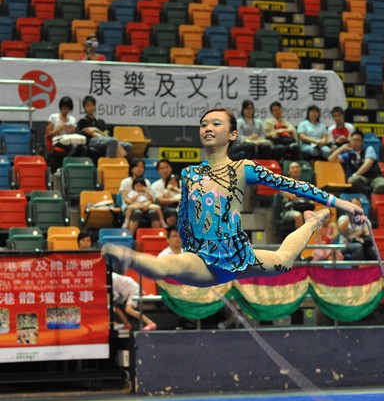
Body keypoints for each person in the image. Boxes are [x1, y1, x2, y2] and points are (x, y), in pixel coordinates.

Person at [102, 108, 366, 287]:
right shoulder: (189, 174)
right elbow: (184, 218)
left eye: (216, 123)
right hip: (202, 261)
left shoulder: (243, 168)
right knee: (166, 266)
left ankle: (312, 221)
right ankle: (126, 256)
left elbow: (293, 185)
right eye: (203, 124)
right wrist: (188, 249)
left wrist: (342, 204)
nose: (208, 128)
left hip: (240, 258)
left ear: (232, 134)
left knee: (285, 261)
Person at [328, 130, 384, 196]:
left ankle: (372, 198)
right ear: (350, 141)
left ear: (362, 142)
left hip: (374, 177)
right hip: (361, 178)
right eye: (354, 140)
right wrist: (342, 148)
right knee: (355, 180)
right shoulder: (348, 154)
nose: (355, 142)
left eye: (358, 140)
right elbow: (331, 159)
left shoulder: (369, 149)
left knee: (382, 184)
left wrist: (355, 175)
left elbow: (367, 165)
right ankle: (365, 198)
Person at [77, 95, 132, 160]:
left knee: (128, 146)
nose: (90, 107)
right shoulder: (82, 121)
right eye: (88, 105)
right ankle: (109, 164)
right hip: (91, 141)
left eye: (92, 105)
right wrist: (100, 133)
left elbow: (106, 134)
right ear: (84, 108)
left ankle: (120, 164)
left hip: (105, 140)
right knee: (112, 141)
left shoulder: (101, 121)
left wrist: (96, 130)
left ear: (95, 106)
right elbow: (92, 133)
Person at [46, 96, 86, 174]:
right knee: (74, 147)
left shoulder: (72, 119)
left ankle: (77, 168)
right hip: (58, 142)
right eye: (64, 109)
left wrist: (72, 131)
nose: (66, 111)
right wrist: (58, 129)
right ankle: (65, 168)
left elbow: (74, 136)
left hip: (69, 141)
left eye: (68, 109)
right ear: (61, 108)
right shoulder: (53, 117)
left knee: (83, 148)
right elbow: (49, 135)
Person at [119, 159, 159, 236]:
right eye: (137, 166)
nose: (139, 169)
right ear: (131, 169)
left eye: (142, 167)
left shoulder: (146, 182)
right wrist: (137, 204)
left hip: (145, 206)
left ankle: (156, 237)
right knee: (137, 212)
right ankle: (130, 236)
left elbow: (151, 198)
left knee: (153, 212)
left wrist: (146, 204)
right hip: (130, 207)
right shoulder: (125, 182)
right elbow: (126, 199)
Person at [274, 161, 315, 235]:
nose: (295, 169)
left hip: (303, 208)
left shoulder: (304, 184)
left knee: (318, 216)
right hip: (288, 210)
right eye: (293, 168)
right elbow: (293, 197)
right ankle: (300, 238)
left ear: (300, 170)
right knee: (298, 215)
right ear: (289, 171)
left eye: (297, 167)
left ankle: (316, 240)